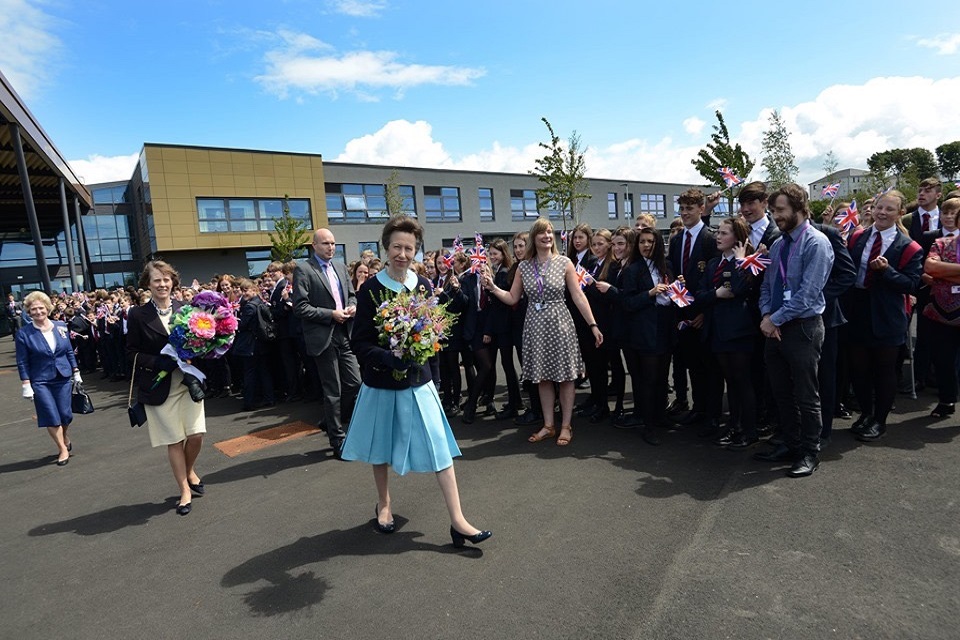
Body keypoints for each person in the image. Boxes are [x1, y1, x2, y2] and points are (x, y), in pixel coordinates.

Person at [340, 215, 491, 547]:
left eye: (409, 248)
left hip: (419, 383)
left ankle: (458, 520)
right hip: (382, 384)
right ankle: (385, 505)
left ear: (416, 250)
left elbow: (432, 336)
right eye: (397, 246)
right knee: (381, 448)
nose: (403, 254)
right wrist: (388, 357)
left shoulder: (422, 286)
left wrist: (433, 377)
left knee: (441, 447)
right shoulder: (370, 289)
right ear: (386, 246)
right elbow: (360, 343)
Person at [483, 218, 603, 447]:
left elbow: (578, 296)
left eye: (550, 232)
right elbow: (512, 298)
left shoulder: (565, 262)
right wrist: (493, 288)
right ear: (534, 238)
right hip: (535, 325)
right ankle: (549, 425)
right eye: (542, 233)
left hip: (560, 323)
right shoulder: (524, 266)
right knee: (543, 377)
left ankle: (566, 425)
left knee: (566, 377)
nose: (547, 236)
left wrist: (593, 324)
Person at [754, 184, 834, 477]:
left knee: (806, 394)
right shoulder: (778, 244)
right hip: (774, 328)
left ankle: (810, 452)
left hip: (802, 329)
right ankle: (790, 443)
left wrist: (775, 319)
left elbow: (808, 294)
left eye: (781, 210)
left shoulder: (817, 243)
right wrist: (767, 315)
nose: (776, 216)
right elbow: (767, 285)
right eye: (773, 210)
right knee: (781, 393)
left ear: (800, 208)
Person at [127, 261, 206, 515]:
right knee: (174, 440)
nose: (162, 284)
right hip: (159, 386)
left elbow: (199, 341)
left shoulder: (186, 309)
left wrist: (197, 351)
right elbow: (130, 353)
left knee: (196, 436)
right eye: (156, 280)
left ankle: (190, 469)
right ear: (147, 284)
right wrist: (156, 361)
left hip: (187, 382)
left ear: (173, 282)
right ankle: (184, 489)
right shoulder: (137, 315)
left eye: (166, 280)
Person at [844, 190, 923, 442]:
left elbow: (911, 285)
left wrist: (887, 271)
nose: (882, 213)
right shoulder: (857, 237)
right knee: (858, 368)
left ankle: (880, 420)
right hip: (858, 309)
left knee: (884, 370)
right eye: (879, 207)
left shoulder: (910, 247)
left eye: (889, 209)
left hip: (887, 315)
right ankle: (866, 414)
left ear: (900, 213)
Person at [293, 228, 361, 459]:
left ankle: (329, 419)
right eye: (325, 243)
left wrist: (352, 306)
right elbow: (300, 307)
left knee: (355, 383)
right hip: (323, 337)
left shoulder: (340, 267)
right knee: (333, 390)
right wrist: (330, 314)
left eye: (333, 243)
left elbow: (352, 295)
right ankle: (337, 440)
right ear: (314, 246)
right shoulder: (304, 269)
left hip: (344, 333)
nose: (330, 247)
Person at [695, 217, 761, 449]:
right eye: (718, 232)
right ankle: (734, 426)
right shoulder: (713, 263)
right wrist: (717, 294)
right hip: (717, 331)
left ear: (737, 237)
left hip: (738, 331)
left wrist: (740, 263)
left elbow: (741, 289)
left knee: (742, 381)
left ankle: (749, 430)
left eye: (724, 233)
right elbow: (699, 295)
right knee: (730, 382)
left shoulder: (747, 262)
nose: (718, 237)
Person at [669, 188, 720, 433]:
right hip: (683, 313)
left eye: (690, 208)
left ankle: (712, 414)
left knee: (709, 367)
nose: (685, 213)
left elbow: (717, 278)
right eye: (682, 209)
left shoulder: (711, 239)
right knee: (693, 366)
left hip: (703, 314)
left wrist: (705, 313)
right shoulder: (678, 239)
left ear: (702, 209)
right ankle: (698, 409)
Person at [617, 227, 674, 445]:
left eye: (650, 241)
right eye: (642, 242)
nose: (646, 245)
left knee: (662, 378)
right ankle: (648, 425)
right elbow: (628, 303)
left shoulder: (667, 266)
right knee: (648, 380)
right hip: (645, 332)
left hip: (665, 329)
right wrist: (649, 294)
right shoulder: (633, 269)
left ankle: (661, 416)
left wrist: (679, 288)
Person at [16, 291, 82, 466]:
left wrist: (76, 371)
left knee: (65, 415)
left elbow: (68, 350)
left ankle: (65, 435)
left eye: (41, 308)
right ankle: (62, 448)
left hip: (62, 376)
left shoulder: (60, 326)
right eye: (33, 309)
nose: (38, 312)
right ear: (28, 312)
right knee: (51, 416)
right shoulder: (24, 334)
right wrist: (26, 384)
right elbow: (22, 361)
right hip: (40, 380)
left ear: (47, 308)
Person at [921, 196, 960, 418]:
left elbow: (938, 271)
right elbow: (930, 266)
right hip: (941, 313)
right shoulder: (941, 243)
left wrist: (945, 275)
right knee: (943, 359)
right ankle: (946, 400)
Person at [235, 279, 277, 411]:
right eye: (242, 290)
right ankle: (269, 398)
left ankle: (249, 402)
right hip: (261, 343)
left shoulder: (249, 306)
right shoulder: (260, 303)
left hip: (251, 345)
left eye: (246, 290)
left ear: (254, 290)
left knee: (250, 373)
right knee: (264, 372)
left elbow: (242, 325)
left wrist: (234, 320)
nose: (244, 293)